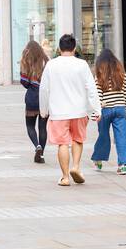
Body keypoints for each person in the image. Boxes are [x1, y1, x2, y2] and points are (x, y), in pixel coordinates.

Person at [38, 33, 101, 187]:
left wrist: (43, 110)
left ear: (60, 48)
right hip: (79, 111)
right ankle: (76, 167)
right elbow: (91, 89)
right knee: (78, 140)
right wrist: (96, 109)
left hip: (59, 112)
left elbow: (44, 89)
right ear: (74, 48)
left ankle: (65, 177)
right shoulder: (82, 64)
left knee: (62, 144)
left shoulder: (51, 65)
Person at [91, 48, 126, 174]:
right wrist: (124, 107)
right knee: (122, 137)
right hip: (120, 109)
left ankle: (98, 160)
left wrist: (96, 112)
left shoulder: (99, 73)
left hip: (105, 110)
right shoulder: (121, 73)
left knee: (103, 136)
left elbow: (97, 94)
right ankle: (122, 165)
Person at [20, 40, 49, 163]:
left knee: (30, 126)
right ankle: (41, 153)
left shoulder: (26, 61)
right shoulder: (46, 61)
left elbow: (24, 82)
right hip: (45, 98)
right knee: (43, 127)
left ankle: (37, 146)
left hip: (32, 97)